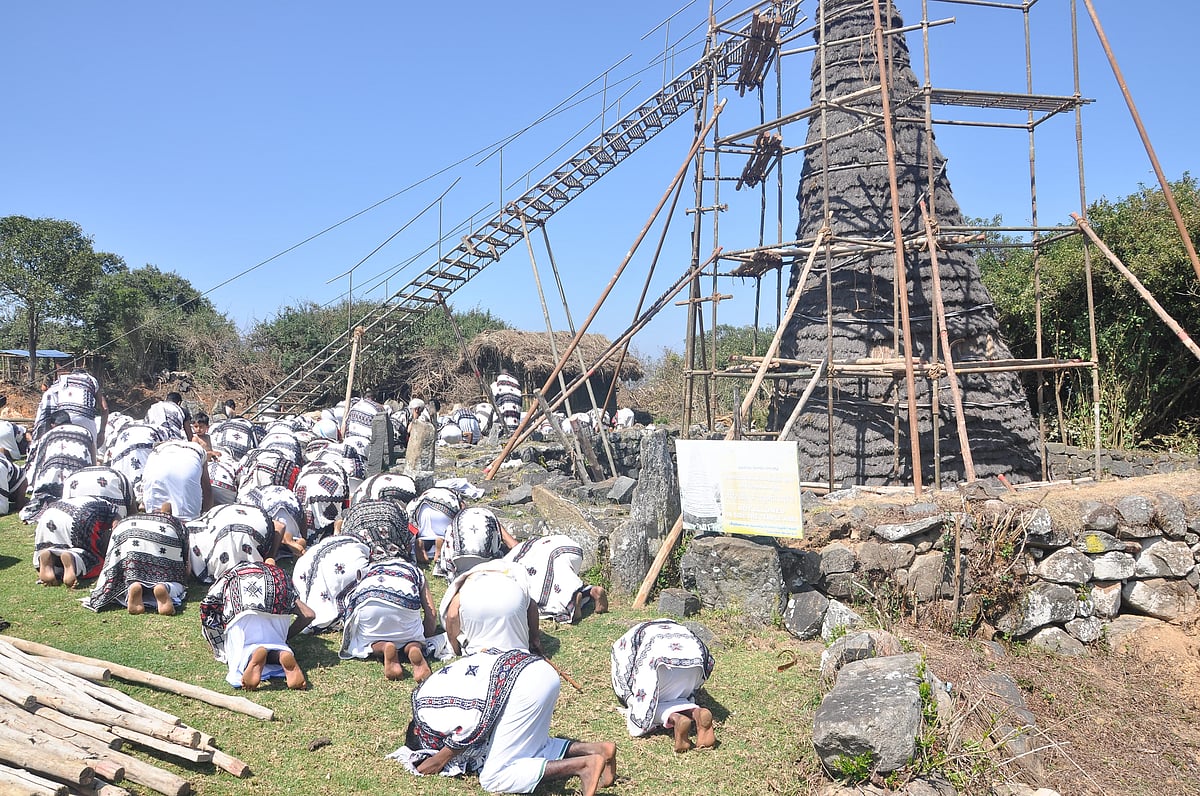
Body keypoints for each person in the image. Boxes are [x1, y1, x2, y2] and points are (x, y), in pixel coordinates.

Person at [395, 648, 617, 796]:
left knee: (493, 777)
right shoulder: (427, 692)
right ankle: (597, 750)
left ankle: (583, 766)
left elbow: (471, 724)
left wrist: (439, 759)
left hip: (524, 687)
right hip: (537, 670)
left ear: (421, 733)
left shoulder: (427, 714)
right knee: (530, 746)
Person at [200, 559, 315, 690]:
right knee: (274, 643)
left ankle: (252, 655)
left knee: (239, 650)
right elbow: (309, 614)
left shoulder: (233, 573)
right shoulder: (280, 576)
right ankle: (281, 653)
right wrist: (285, 637)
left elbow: (208, 606)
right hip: (278, 612)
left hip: (244, 611)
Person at [610, 619, 716, 753]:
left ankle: (676, 718)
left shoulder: (622, 645)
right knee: (677, 695)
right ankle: (697, 713)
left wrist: (630, 698)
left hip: (660, 665)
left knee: (647, 707)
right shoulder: (674, 627)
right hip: (695, 664)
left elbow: (623, 676)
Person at [339, 556, 437, 681]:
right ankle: (413, 647)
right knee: (413, 637)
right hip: (403, 607)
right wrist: (424, 637)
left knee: (367, 640)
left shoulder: (368, 569)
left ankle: (384, 647)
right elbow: (431, 614)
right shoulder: (413, 570)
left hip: (370, 604)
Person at [83, 509, 189, 615]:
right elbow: (186, 567)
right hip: (164, 534)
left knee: (120, 582)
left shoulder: (130, 518)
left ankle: (132, 588)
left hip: (128, 530)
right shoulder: (176, 523)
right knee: (177, 583)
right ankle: (165, 587)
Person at [440, 560, 543, 657]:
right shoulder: (514, 576)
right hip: (513, 595)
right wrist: (535, 639)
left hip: (474, 603)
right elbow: (532, 607)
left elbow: (452, 616)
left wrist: (455, 649)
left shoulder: (467, 586)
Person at [504, 534, 609, 623]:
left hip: (543, 554)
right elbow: (512, 543)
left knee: (538, 599)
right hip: (565, 546)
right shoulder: (491, 518)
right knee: (558, 583)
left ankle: (571, 604)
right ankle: (591, 591)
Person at [22, 410, 97, 521]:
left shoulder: (47, 435)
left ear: (53, 424)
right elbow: (93, 460)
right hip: (80, 483)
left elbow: (38, 464)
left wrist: (32, 485)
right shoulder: (85, 432)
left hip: (51, 484)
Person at [33, 496, 122, 587]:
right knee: (94, 561)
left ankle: (51, 554)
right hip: (80, 515)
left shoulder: (87, 499)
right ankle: (73, 558)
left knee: (60, 545)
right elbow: (117, 527)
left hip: (50, 513)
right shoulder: (113, 510)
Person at [186, 503, 282, 583]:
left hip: (234, 518)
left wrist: (270, 557)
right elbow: (280, 526)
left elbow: (280, 527)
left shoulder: (190, 534)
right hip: (242, 518)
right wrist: (271, 556)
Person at [437, 506, 518, 581]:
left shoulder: (456, 522)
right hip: (485, 563)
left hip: (458, 562)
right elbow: (513, 544)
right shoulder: (490, 518)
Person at [141, 438, 213, 521]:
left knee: (155, 521)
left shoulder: (157, 450)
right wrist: (206, 517)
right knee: (189, 523)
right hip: (187, 469)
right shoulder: (199, 450)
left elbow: (143, 490)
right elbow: (207, 488)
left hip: (158, 469)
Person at [33, 368, 107, 445]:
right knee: (91, 449)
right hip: (85, 420)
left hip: (63, 420)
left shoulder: (61, 380)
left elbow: (48, 396)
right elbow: (104, 408)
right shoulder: (91, 380)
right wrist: (102, 432)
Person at [408, 486, 464, 567]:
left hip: (423, 511)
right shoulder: (454, 494)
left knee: (424, 534)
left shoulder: (425, 494)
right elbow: (463, 510)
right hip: (444, 511)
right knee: (450, 533)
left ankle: (422, 542)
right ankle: (441, 543)